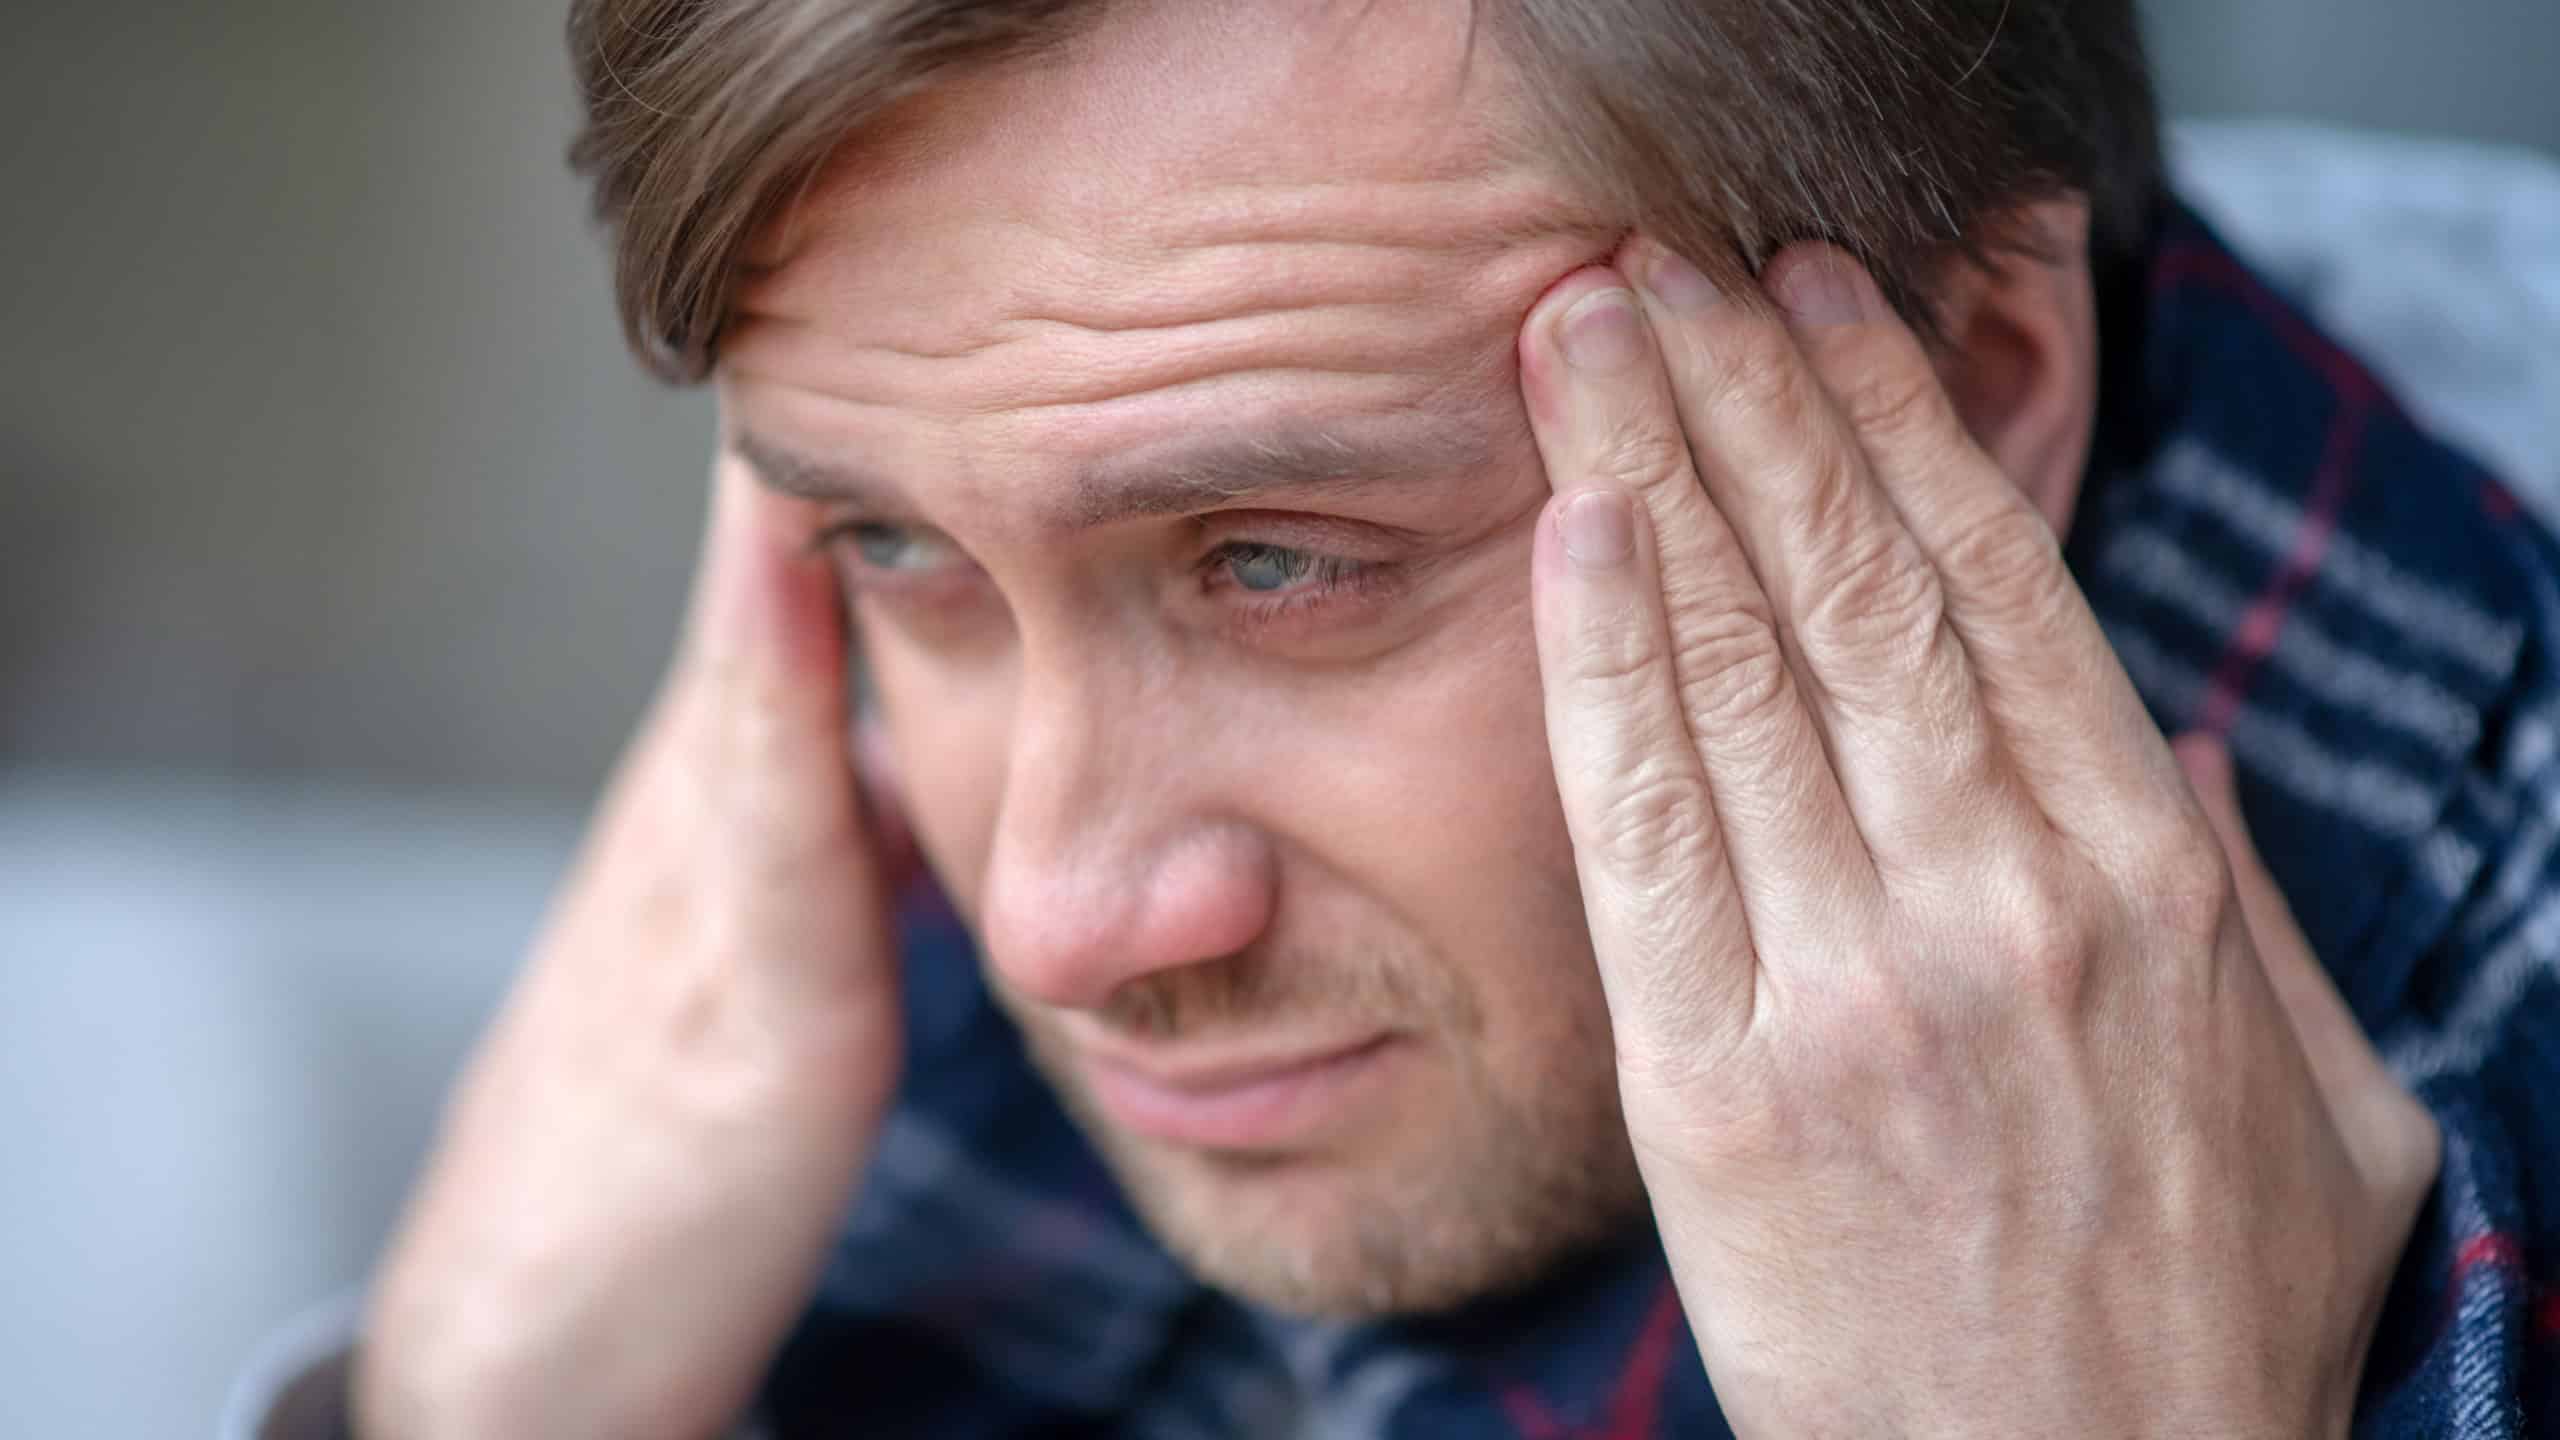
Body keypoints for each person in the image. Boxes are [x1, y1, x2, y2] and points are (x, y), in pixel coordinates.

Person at [252, 1, 2560, 1435]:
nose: (1063, 920)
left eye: (1276, 562)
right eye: (897, 558)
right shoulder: (811, 1054)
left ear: (1962, 391)